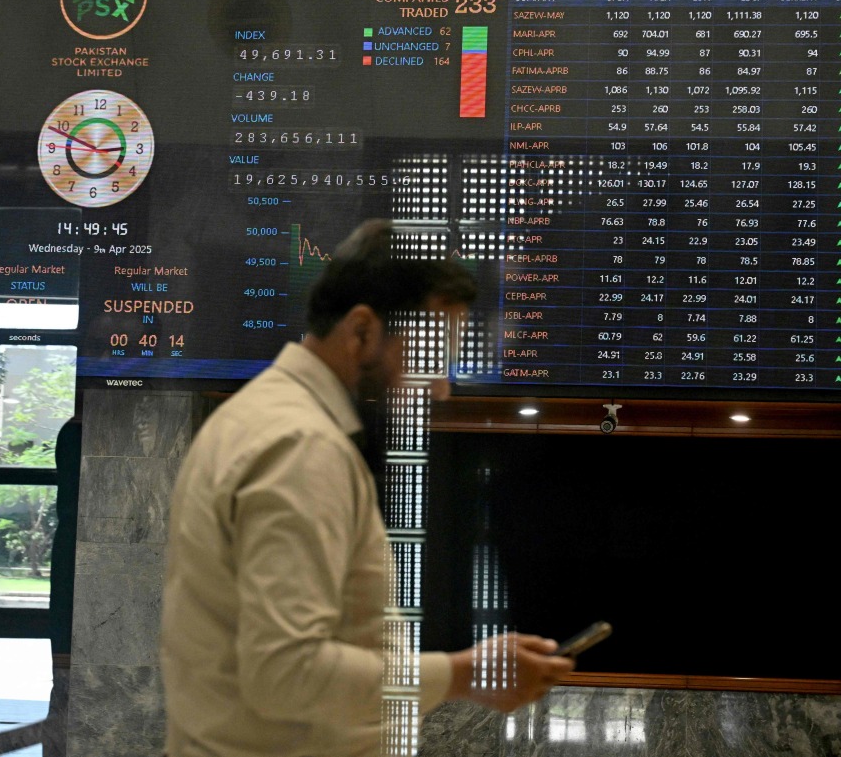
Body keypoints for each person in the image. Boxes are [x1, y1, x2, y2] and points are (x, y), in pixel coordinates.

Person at [160, 220, 575, 757]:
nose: (443, 387)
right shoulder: (301, 448)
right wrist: (461, 675)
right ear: (361, 331)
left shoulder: (263, 419)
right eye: (430, 355)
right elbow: (284, 673)